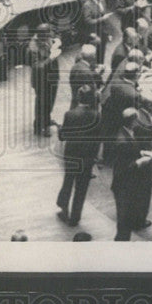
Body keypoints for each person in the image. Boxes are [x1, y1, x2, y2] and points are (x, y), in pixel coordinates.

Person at [56, 85, 103, 228]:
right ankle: (75, 216)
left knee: (68, 181)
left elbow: (63, 136)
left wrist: (60, 129)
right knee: (81, 187)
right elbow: (99, 138)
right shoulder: (97, 115)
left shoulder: (70, 114)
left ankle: (64, 208)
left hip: (71, 154)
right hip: (88, 156)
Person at [109, 107, 152, 241]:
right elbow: (127, 166)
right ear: (134, 121)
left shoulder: (126, 132)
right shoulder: (123, 141)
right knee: (124, 222)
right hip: (123, 185)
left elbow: (131, 152)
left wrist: (143, 153)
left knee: (125, 219)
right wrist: (143, 160)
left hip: (126, 183)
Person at [28, 24, 60, 137]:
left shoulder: (47, 38)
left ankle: (46, 120)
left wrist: (57, 42)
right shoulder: (33, 46)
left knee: (50, 101)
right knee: (42, 103)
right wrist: (51, 58)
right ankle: (39, 127)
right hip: (41, 80)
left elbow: (56, 37)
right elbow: (37, 66)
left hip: (52, 76)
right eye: (49, 32)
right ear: (43, 34)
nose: (51, 34)